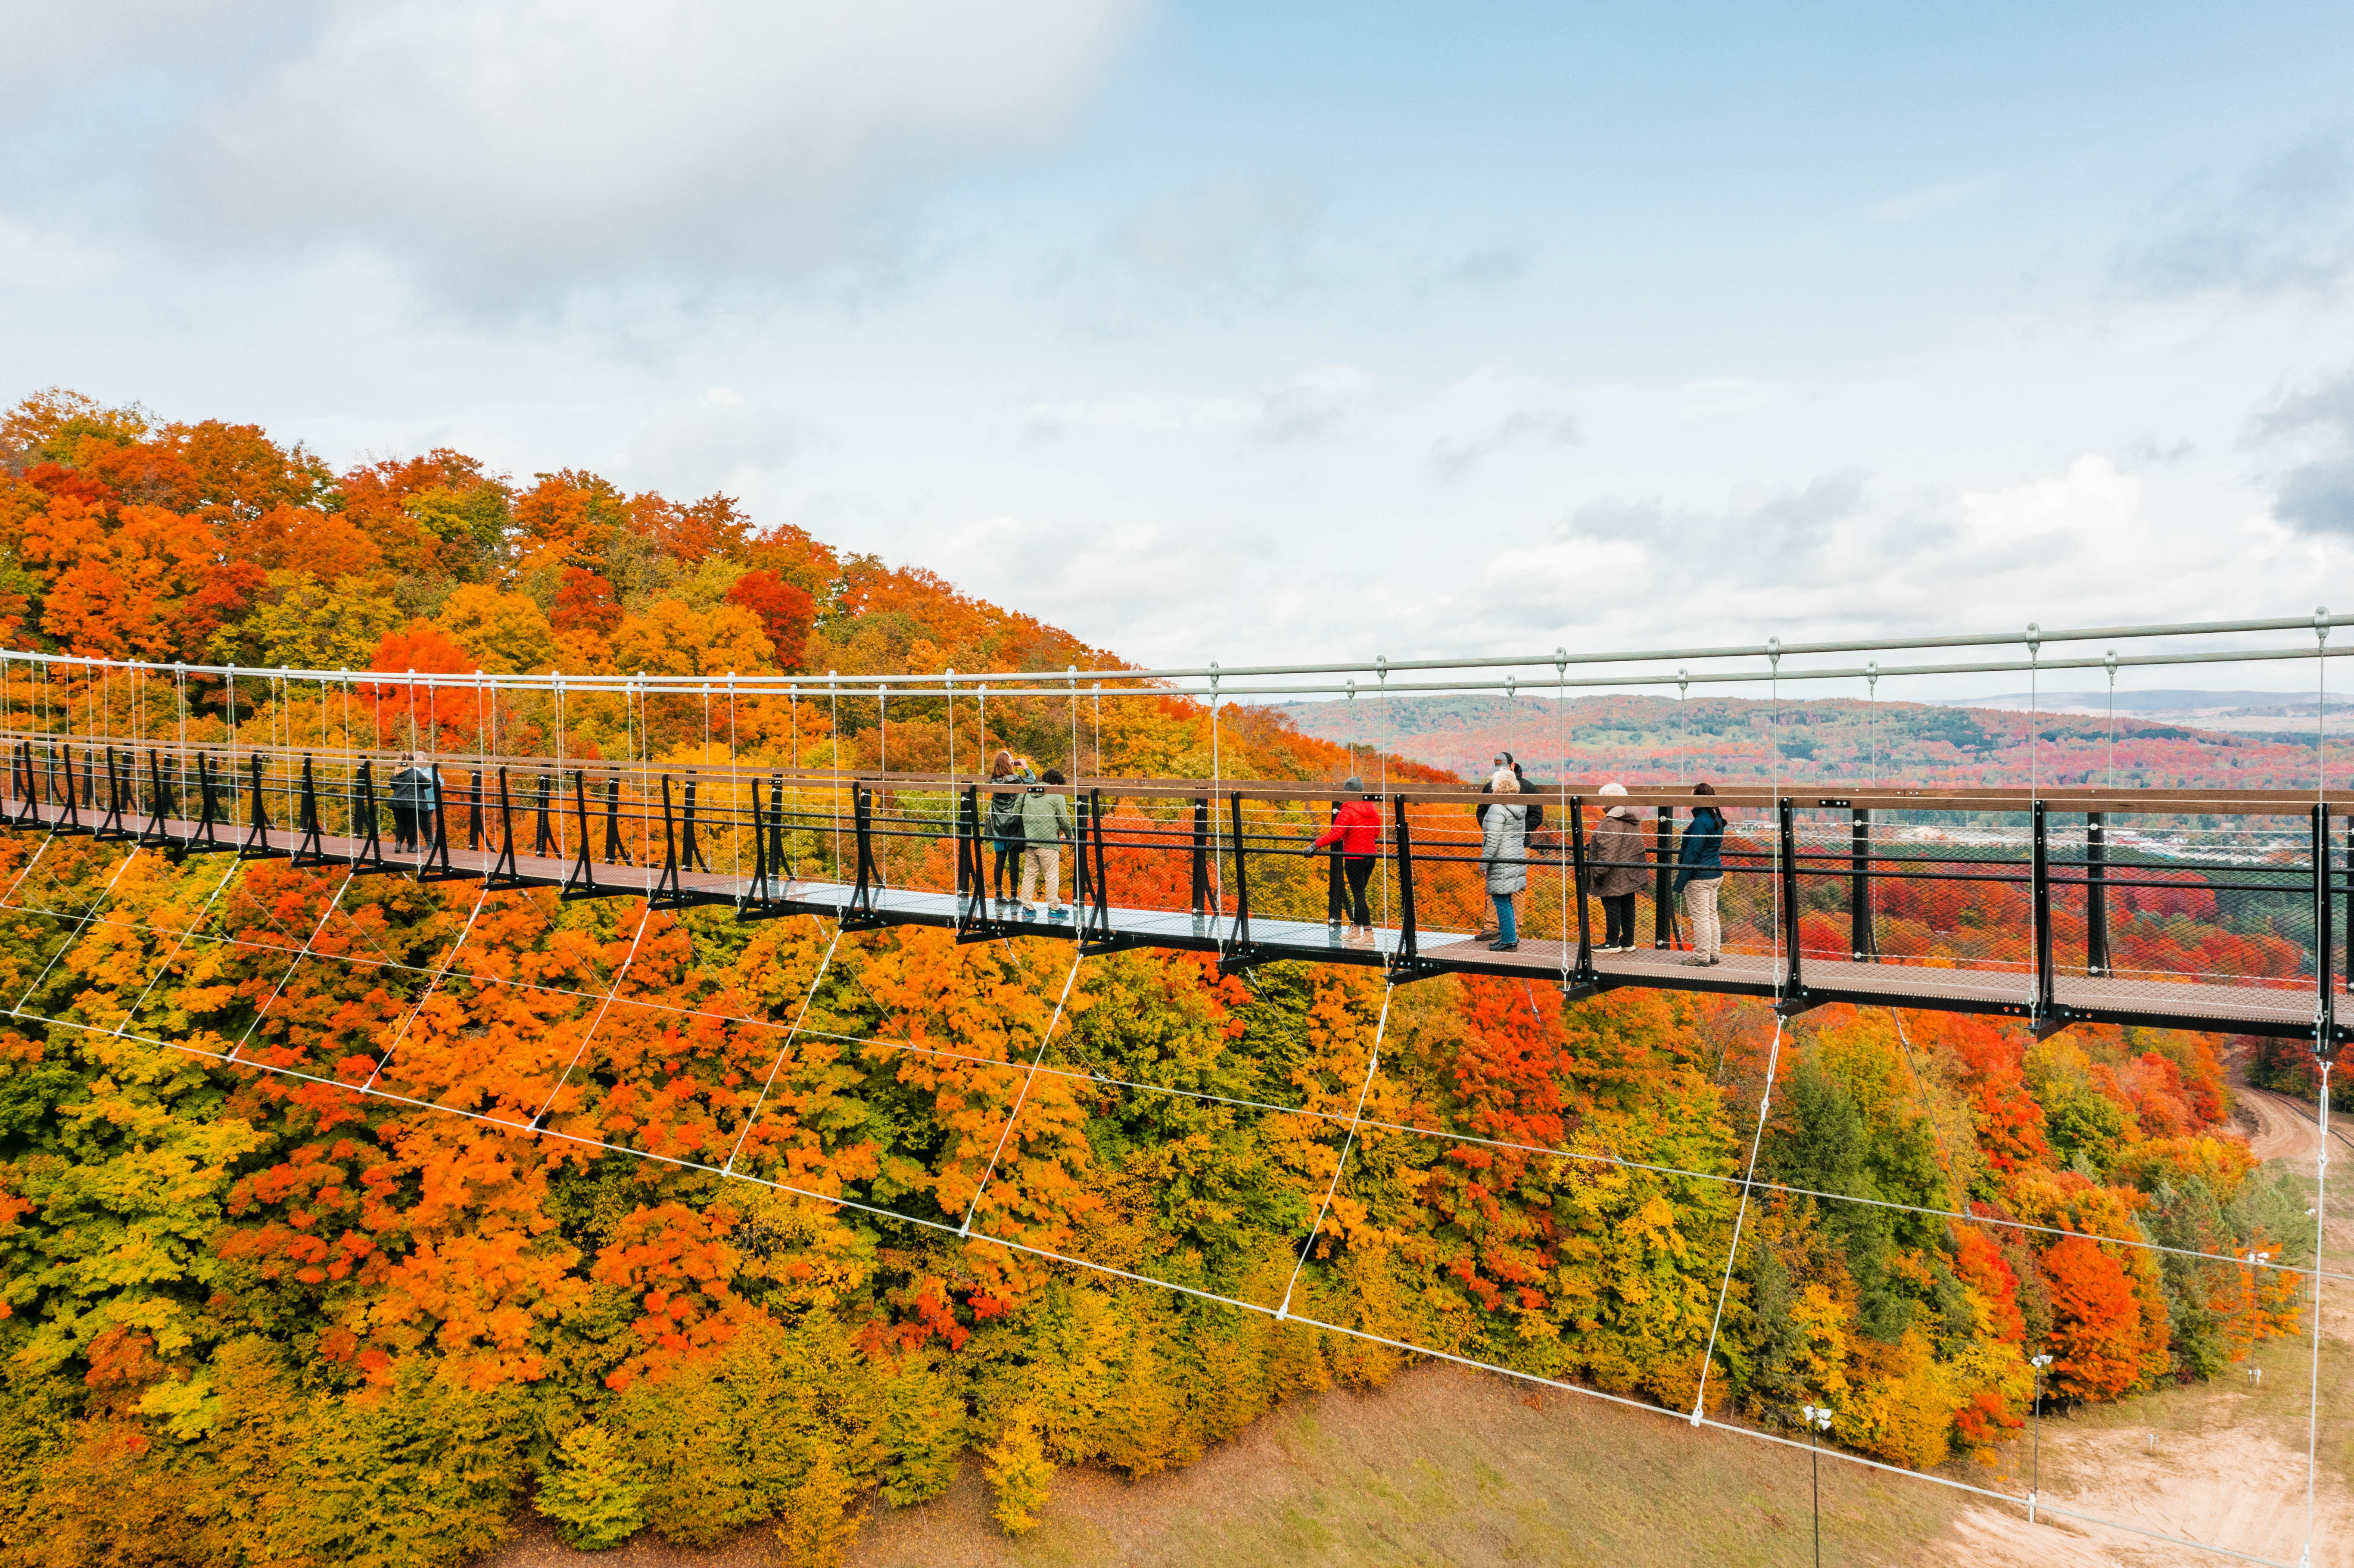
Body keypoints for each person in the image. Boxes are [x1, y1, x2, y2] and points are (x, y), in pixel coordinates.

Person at [1306, 776, 1381, 947]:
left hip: (1355, 857)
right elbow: (1376, 832)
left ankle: (1368, 934)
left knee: (1359, 896)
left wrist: (1315, 845)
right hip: (1370, 856)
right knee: (1360, 895)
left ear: (1348, 792)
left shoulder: (1347, 810)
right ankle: (1356, 930)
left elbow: (1336, 835)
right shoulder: (1372, 808)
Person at [1672, 781, 1727, 966]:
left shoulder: (1700, 823)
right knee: (1711, 914)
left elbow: (1692, 853)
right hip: (1714, 872)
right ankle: (1713, 953)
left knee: (1700, 917)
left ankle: (1701, 957)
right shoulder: (1716, 819)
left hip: (1699, 876)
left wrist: (1680, 882)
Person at [1591, 781, 1646, 954]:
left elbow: (1609, 848)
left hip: (1613, 871)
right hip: (1630, 867)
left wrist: (1599, 871)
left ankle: (1612, 942)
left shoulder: (1612, 820)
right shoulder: (1633, 817)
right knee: (1628, 904)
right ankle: (1628, 941)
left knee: (1612, 905)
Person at [1479, 767, 1526, 952]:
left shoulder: (1497, 808)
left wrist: (1484, 862)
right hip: (1515, 856)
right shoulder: (1520, 808)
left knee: (1500, 900)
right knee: (1506, 899)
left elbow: (1493, 839)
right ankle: (1510, 937)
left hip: (1500, 859)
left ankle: (1509, 940)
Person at [1018, 768, 1075, 919]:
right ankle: (1053, 908)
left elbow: (1016, 812)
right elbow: (1063, 818)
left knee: (1030, 874)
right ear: (1056, 784)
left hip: (1030, 841)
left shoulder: (1027, 793)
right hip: (1049, 842)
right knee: (1051, 875)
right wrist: (1070, 836)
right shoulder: (1056, 795)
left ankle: (1027, 907)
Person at [987, 750, 1029, 908]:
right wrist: (1025, 767)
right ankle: (1014, 895)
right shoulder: (1015, 779)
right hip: (1013, 825)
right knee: (1014, 861)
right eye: (1011, 761)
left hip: (998, 825)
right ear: (1008, 763)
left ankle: (999, 894)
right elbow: (1031, 782)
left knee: (1000, 860)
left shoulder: (992, 781)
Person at [389, 753, 438, 854]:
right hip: (411, 803)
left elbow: (393, 785)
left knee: (400, 824)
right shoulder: (415, 773)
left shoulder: (396, 773)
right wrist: (427, 780)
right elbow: (428, 785)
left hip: (396, 803)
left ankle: (398, 844)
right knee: (412, 825)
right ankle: (412, 847)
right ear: (412, 762)